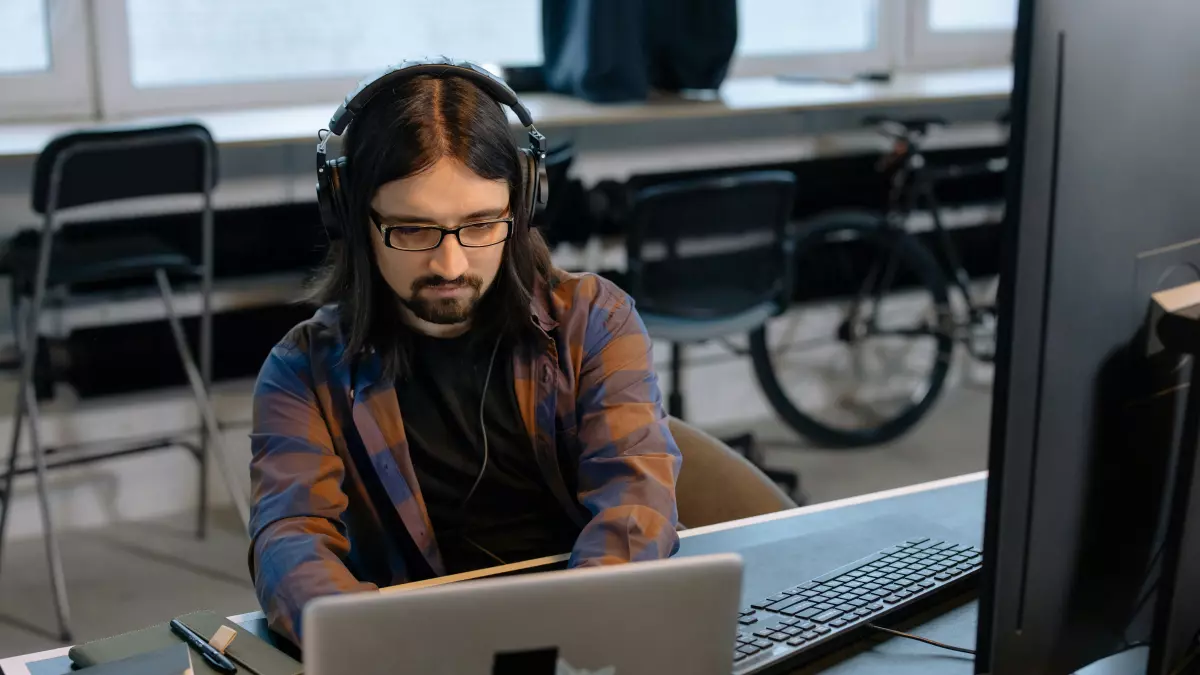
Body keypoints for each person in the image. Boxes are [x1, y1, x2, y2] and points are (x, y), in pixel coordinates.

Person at [247, 61, 682, 647]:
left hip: (583, 634)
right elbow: (289, 540)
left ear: (520, 208)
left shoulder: (595, 321)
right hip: (417, 645)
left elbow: (636, 505)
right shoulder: (302, 372)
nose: (450, 266)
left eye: (481, 225)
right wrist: (375, 645)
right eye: (413, 230)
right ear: (351, 218)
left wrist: (571, 637)